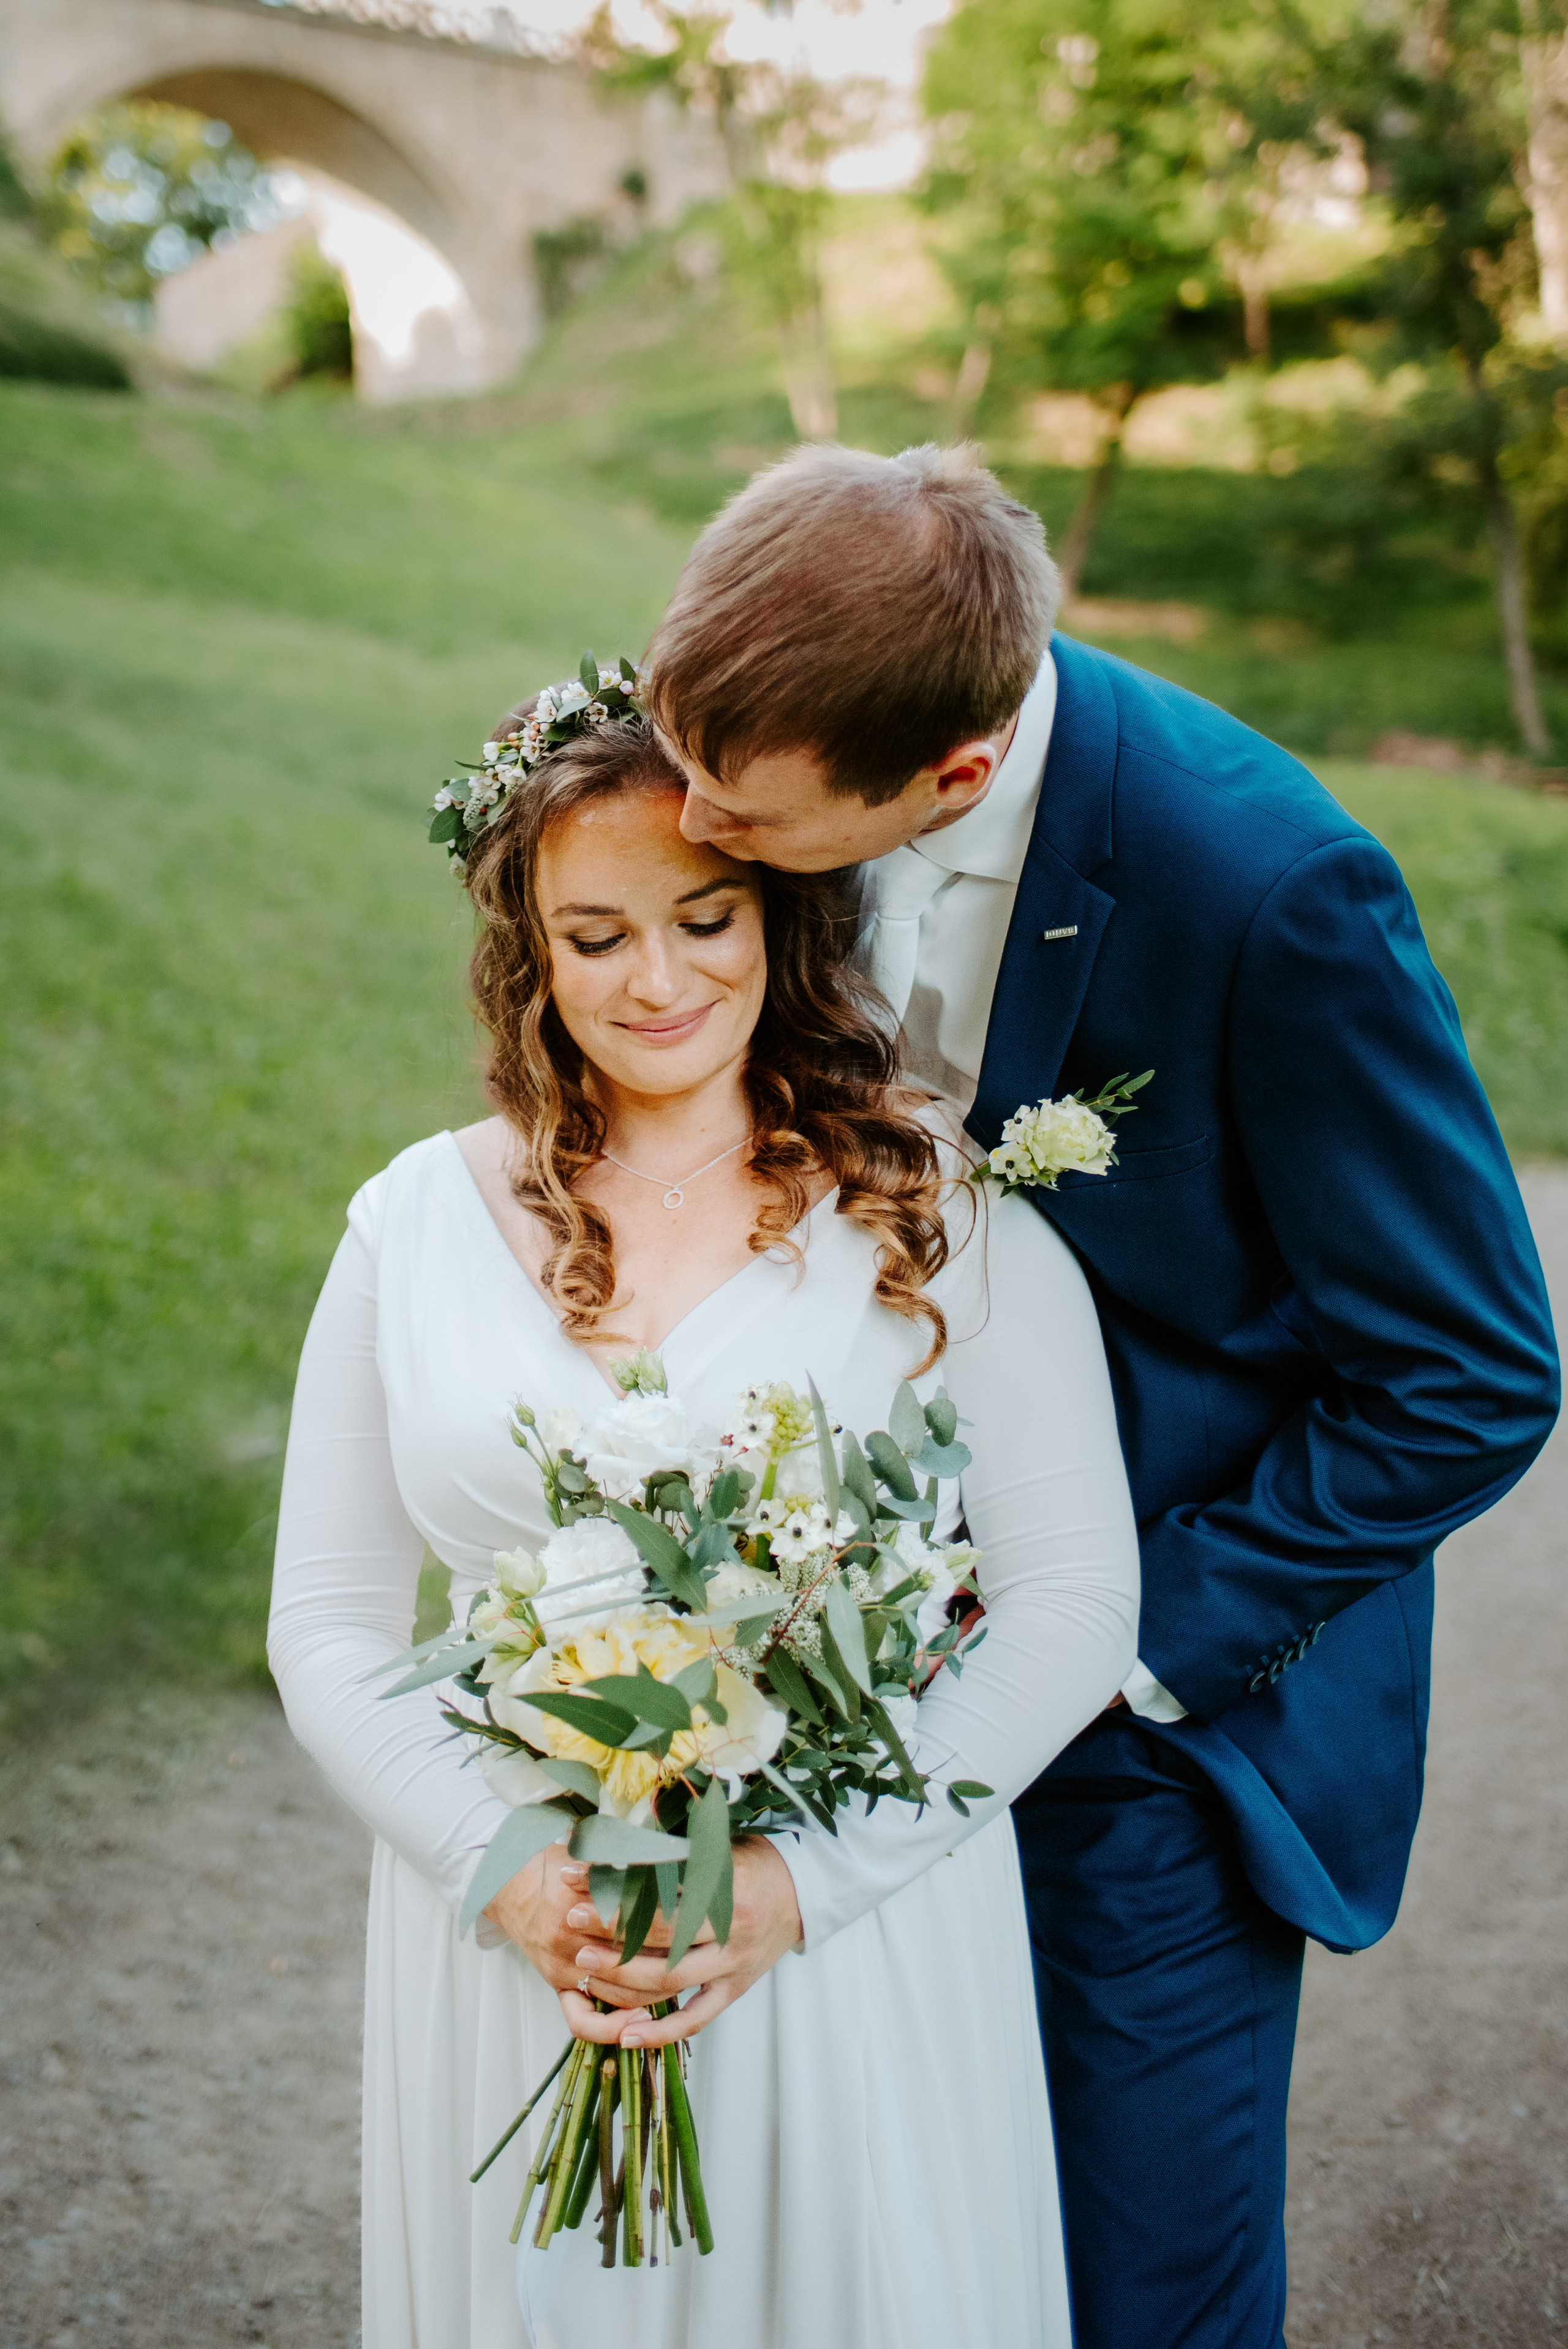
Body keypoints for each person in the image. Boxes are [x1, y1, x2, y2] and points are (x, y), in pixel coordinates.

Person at [527, 442, 1562, 2347]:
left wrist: (1129, 1639)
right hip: (802, 1697)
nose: (690, 822)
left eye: (738, 820)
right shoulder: (772, 724)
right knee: (861, 2256)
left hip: (1143, 1733)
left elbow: (1476, 1370)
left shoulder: (1268, 890)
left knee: (1126, 2285)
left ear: (953, 776)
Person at [268, 711, 1141, 2348]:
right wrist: (502, 1866)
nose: (653, 978)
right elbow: (323, 1616)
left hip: (846, 1929)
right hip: (530, 1938)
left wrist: (803, 1883)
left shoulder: (931, 1209)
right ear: (529, 953)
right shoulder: (414, 1225)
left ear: (781, 917)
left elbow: (1074, 1595)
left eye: (702, 919)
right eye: (594, 935)